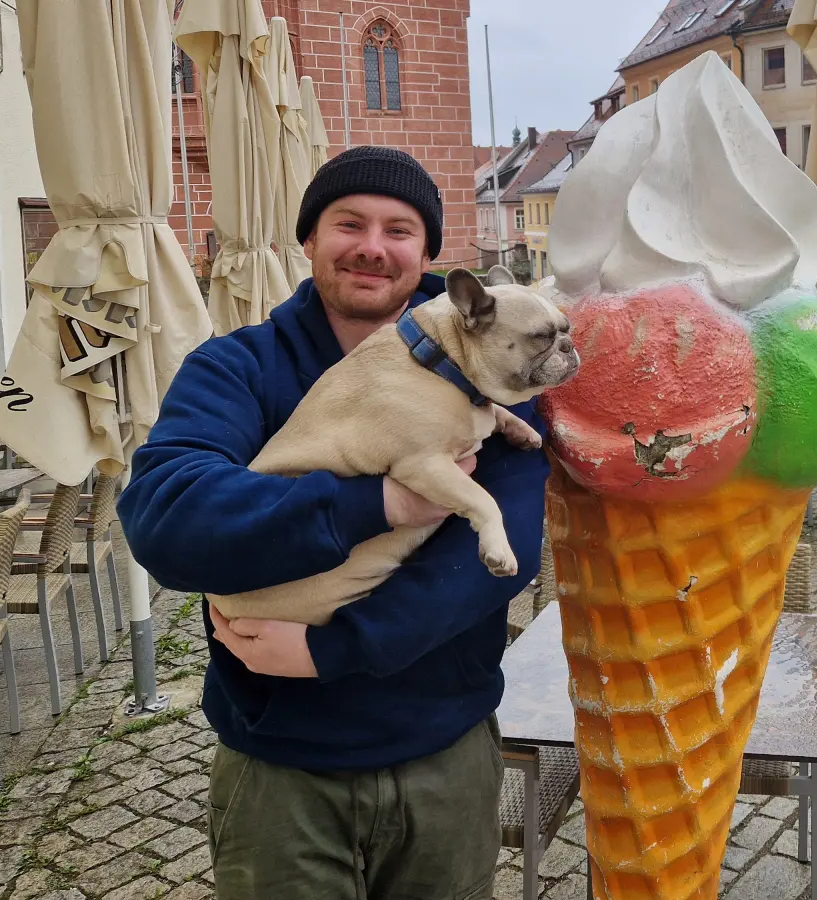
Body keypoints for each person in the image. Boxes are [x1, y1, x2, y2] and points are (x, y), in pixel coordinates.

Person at [118, 146, 544, 900]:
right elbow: (169, 523)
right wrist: (378, 504)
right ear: (308, 239)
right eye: (349, 223)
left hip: (443, 753)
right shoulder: (237, 368)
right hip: (282, 767)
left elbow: (495, 560)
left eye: (400, 229)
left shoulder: (499, 369)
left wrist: (335, 647)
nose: (373, 247)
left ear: (428, 254)